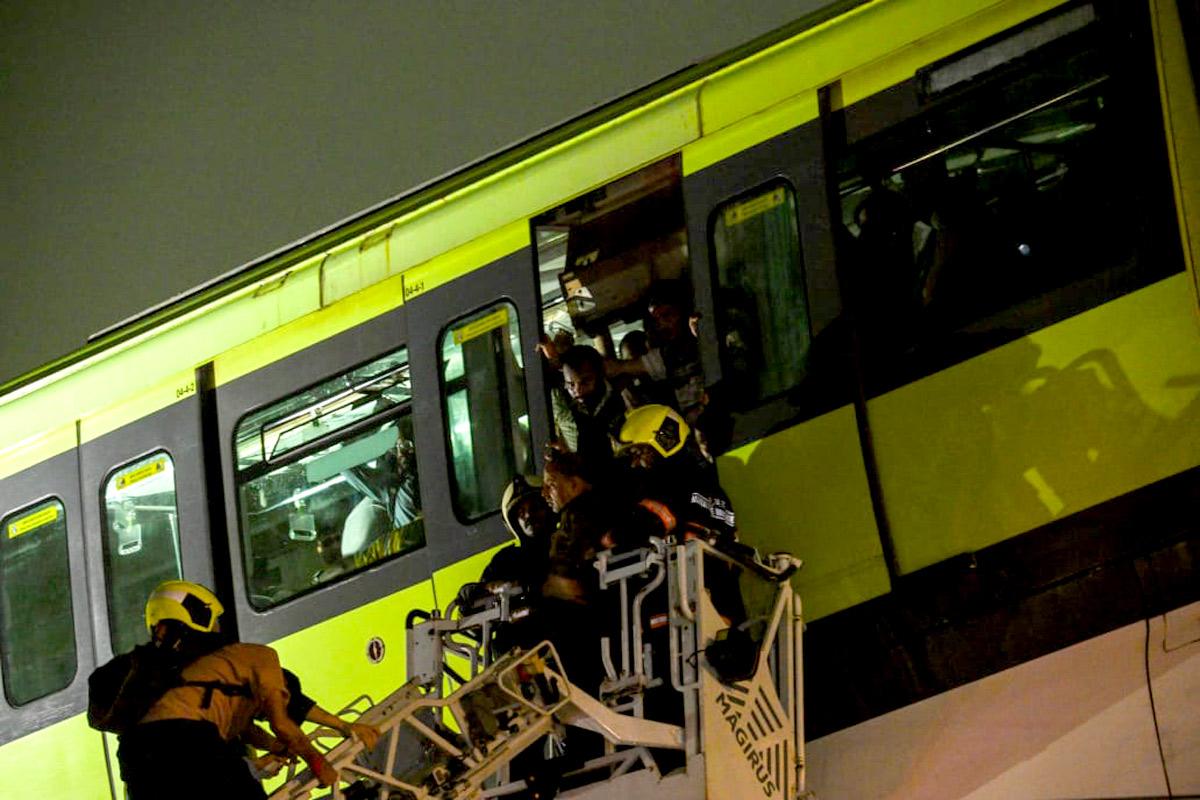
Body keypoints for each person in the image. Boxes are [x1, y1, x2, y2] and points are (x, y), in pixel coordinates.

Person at [115, 580, 338, 798]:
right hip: (194, 746)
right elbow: (281, 723)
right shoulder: (247, 658)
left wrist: (271, 749)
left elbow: (238, 726)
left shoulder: (152, 674)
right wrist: (319, 762)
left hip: (135, 759)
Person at [244, 669, 380, 780]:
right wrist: (318, 764)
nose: (267, 719)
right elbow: (281, 725)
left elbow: (247, 729)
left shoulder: (257, 682)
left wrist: (344, 725)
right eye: (267, 715)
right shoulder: (236, 698)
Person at [556, 344, 627, 472]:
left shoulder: (622, 401)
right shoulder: (565, 402)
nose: (577, 390)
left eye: (585, 382)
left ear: (600, 375)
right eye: (570, 384)